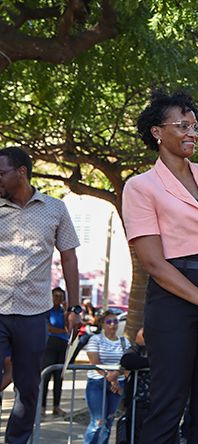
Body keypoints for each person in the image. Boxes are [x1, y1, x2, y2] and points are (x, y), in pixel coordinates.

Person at [122, 91, 198, 443]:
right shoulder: (140, 187)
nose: (192, 133)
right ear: (158, 132)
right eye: (182, 125)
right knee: (167, 406)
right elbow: (153, 263)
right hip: (175, 297)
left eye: (195, 126)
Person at [0, 146, 82, 443]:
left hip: (34, 313)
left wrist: (75, 306)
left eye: (1, 173)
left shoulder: (55, 208)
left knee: (28, 389)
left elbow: (69, 258)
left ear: (21, 172)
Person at [84, 311, 130, 444]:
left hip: (117, 384)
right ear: (103, 324)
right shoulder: (95, 339)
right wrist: (110, 377)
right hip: (97, 383)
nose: (113, 325)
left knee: (109, 421)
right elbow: (95, 361)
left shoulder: (123, 341)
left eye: (115, 321)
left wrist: (116, 376)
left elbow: (127, 362)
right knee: (98, 421)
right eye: (109, 322)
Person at [41, 287, 70, 416]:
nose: (58, 299)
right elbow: (49, 328)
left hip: (62, 345)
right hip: (50, 344)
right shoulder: (47, 311)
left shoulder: (63, 312)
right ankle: (42, 406)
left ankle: (56, 406)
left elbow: (69, 326)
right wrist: (64, 331)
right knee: (46, 376)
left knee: (59, 377)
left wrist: (67, 311)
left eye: (61, 296)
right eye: (56, 296)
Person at [119, 328, 150, 444]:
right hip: (139, 403)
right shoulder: (137, 349)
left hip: (160, 403)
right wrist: (153, 362)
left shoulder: (166, 349)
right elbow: (127, 361)